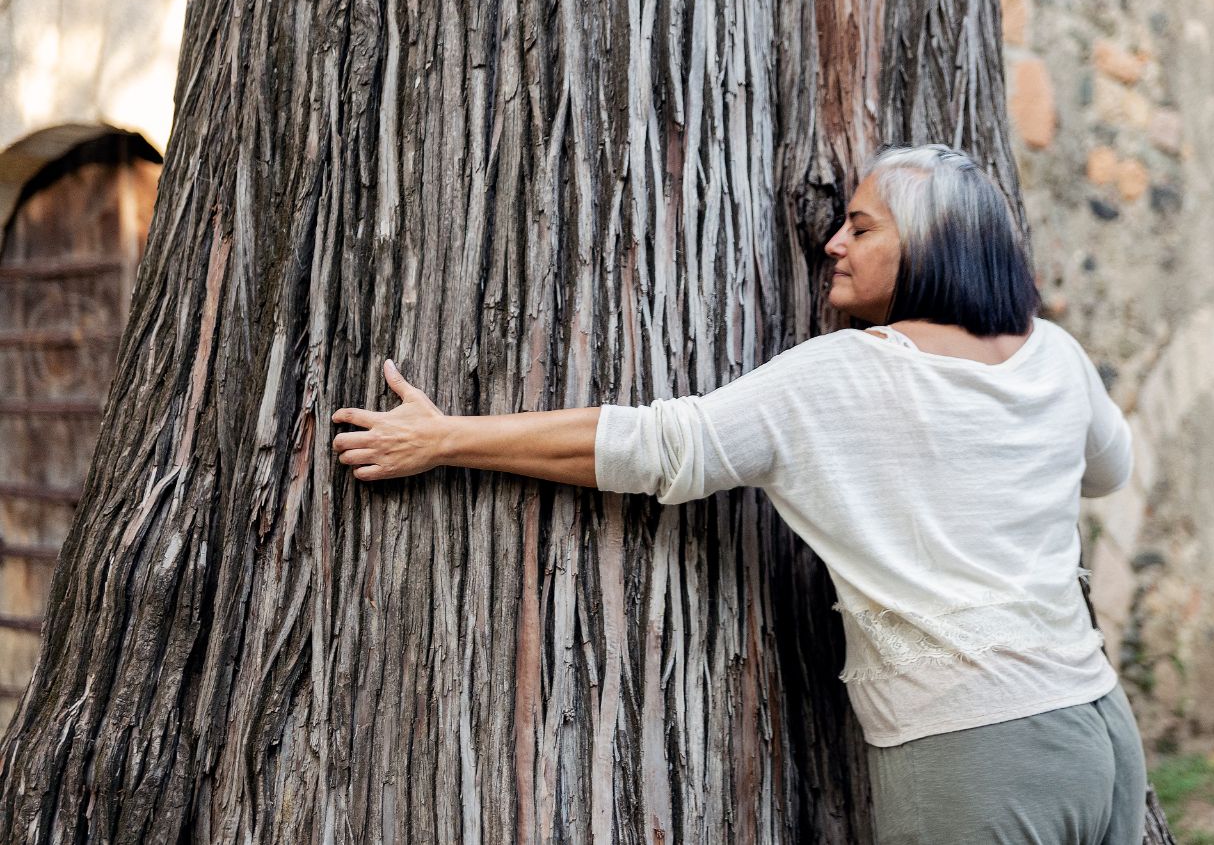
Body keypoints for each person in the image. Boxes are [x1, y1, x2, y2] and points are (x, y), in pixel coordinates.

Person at [329, 143, 1148, 844]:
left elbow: (660, 446)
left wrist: (447, 437)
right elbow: (1110, 470)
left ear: (932, 247)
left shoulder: (844, 375)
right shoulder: (1055, 355)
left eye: (862, 228)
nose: (833, 241)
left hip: (979, 751)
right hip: (1100, 729)